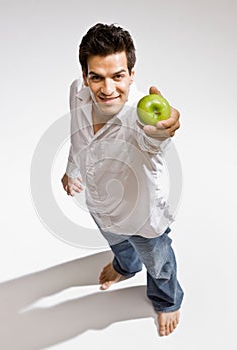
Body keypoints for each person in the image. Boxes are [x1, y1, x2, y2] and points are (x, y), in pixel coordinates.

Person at [61, 23, 184, 337]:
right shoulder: (77, 93)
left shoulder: (142, 120)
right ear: (85, 75)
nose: (107, 89)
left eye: (118, 76)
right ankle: (126, 267)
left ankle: (168, 300)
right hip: (101, 205)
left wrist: (162, 131)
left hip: (142, 218)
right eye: (96, 76)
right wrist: (71, 170)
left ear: (131, 74)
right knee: (119, 247)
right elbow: (78, 138)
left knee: (159, 265)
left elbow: (155, 139)